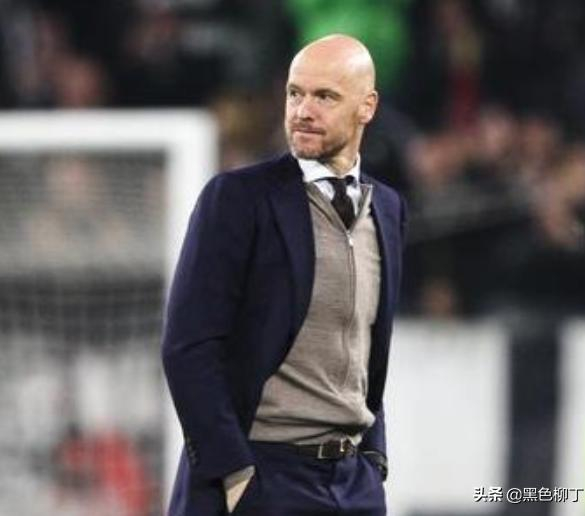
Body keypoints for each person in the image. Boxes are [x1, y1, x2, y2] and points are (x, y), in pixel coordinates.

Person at [162, 34, 407, 515]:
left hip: (353, 484)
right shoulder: (238, 199)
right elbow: (187, 347)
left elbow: (369, 350)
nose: (302, 111)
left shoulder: (389, 209)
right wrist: (234, 472)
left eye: (325, 97)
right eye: (295, 93)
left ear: (367, 106)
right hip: (263, 476)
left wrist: (374, 458)